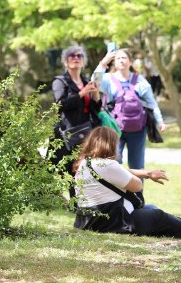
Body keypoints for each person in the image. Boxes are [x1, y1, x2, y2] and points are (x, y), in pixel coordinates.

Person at [73, 127, 181, 238]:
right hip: (116, 222)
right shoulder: (108, 165)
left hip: (90, 221)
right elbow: (137, 186)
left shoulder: (84, 164)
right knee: (159, 216)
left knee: (151, 208)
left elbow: (118, 171)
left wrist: (148, 173)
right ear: (110, 144)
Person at [93, 49, 166, 170]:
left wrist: (160, 121)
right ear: (114, 63)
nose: (121, 61)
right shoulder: (108, 79)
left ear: (130, 62)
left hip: (138, 129)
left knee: (137, 166)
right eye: (118, 58)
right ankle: (117, 189)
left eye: (124, 58)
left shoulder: (140, 81)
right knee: (113, 164)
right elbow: (94, 81)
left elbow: (151, 103)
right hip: (114, 129)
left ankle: (137, 189)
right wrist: (103, 63)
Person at [51, 46, 100, 196]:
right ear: (66, 62)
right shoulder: (60, 81)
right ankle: (75, 203)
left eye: (79, 56)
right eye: (71, 56)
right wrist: (82, 93)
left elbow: (95, 109)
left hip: (87, 130)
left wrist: (96, 94)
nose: (76, 58)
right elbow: (60, 104)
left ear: (83, 61)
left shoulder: (86, 81)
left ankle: (89, 200)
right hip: (69, 131)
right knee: (73, 168)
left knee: (88, 166)